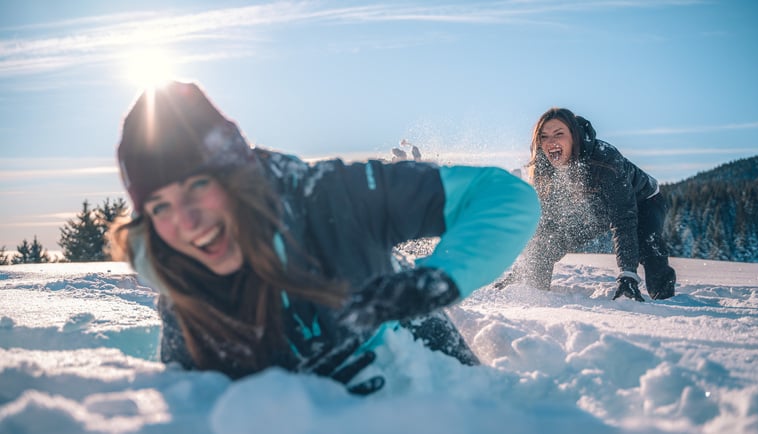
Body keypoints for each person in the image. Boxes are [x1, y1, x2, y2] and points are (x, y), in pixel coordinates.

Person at [112, 81, 540, 395]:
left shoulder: (333, 195)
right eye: (160, 206)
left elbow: (503, 196)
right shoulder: (182, 285)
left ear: (236, 176)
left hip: (434, 384)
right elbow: (197, 408)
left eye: (198, 186)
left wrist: (432, 282)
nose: (186, 222)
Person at [515, 107, 676, 301]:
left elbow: (623, 219)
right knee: (551, 240)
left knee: (648, 248)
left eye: (559, 134)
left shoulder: (605, 159)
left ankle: (665, 300)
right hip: (594, 206)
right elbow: (544, 223)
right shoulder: (545, 168)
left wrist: (628, 275)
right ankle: (534, 290)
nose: (551, 142)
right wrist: (525, 268)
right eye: (544, 137)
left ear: (574, 136)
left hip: (643, 201)